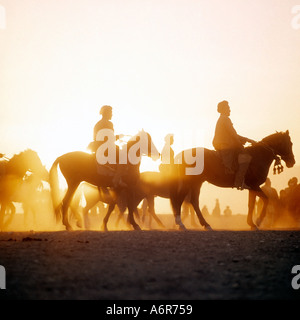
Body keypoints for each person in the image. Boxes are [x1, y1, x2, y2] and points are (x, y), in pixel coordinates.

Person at [212, 100, 256, 190]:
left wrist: (246, 139)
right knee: (246, 157)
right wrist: (240, 144)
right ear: (224, 109)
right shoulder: (225, 119)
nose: (230, 110)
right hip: (226, 146)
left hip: (222, 145)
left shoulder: (222, 119)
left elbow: (233, 134)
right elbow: (233, 134)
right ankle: (239, 182)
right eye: (228, 108)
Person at [90, 105, 125, 187]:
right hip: (106, 148)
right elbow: (110, 138)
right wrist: (118, 137)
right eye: (111, 112)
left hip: (98, 147)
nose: (112, 114)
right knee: (123, 157)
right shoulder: (109, 123)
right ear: (106, 113)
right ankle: (117, 180)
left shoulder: (97, 124)